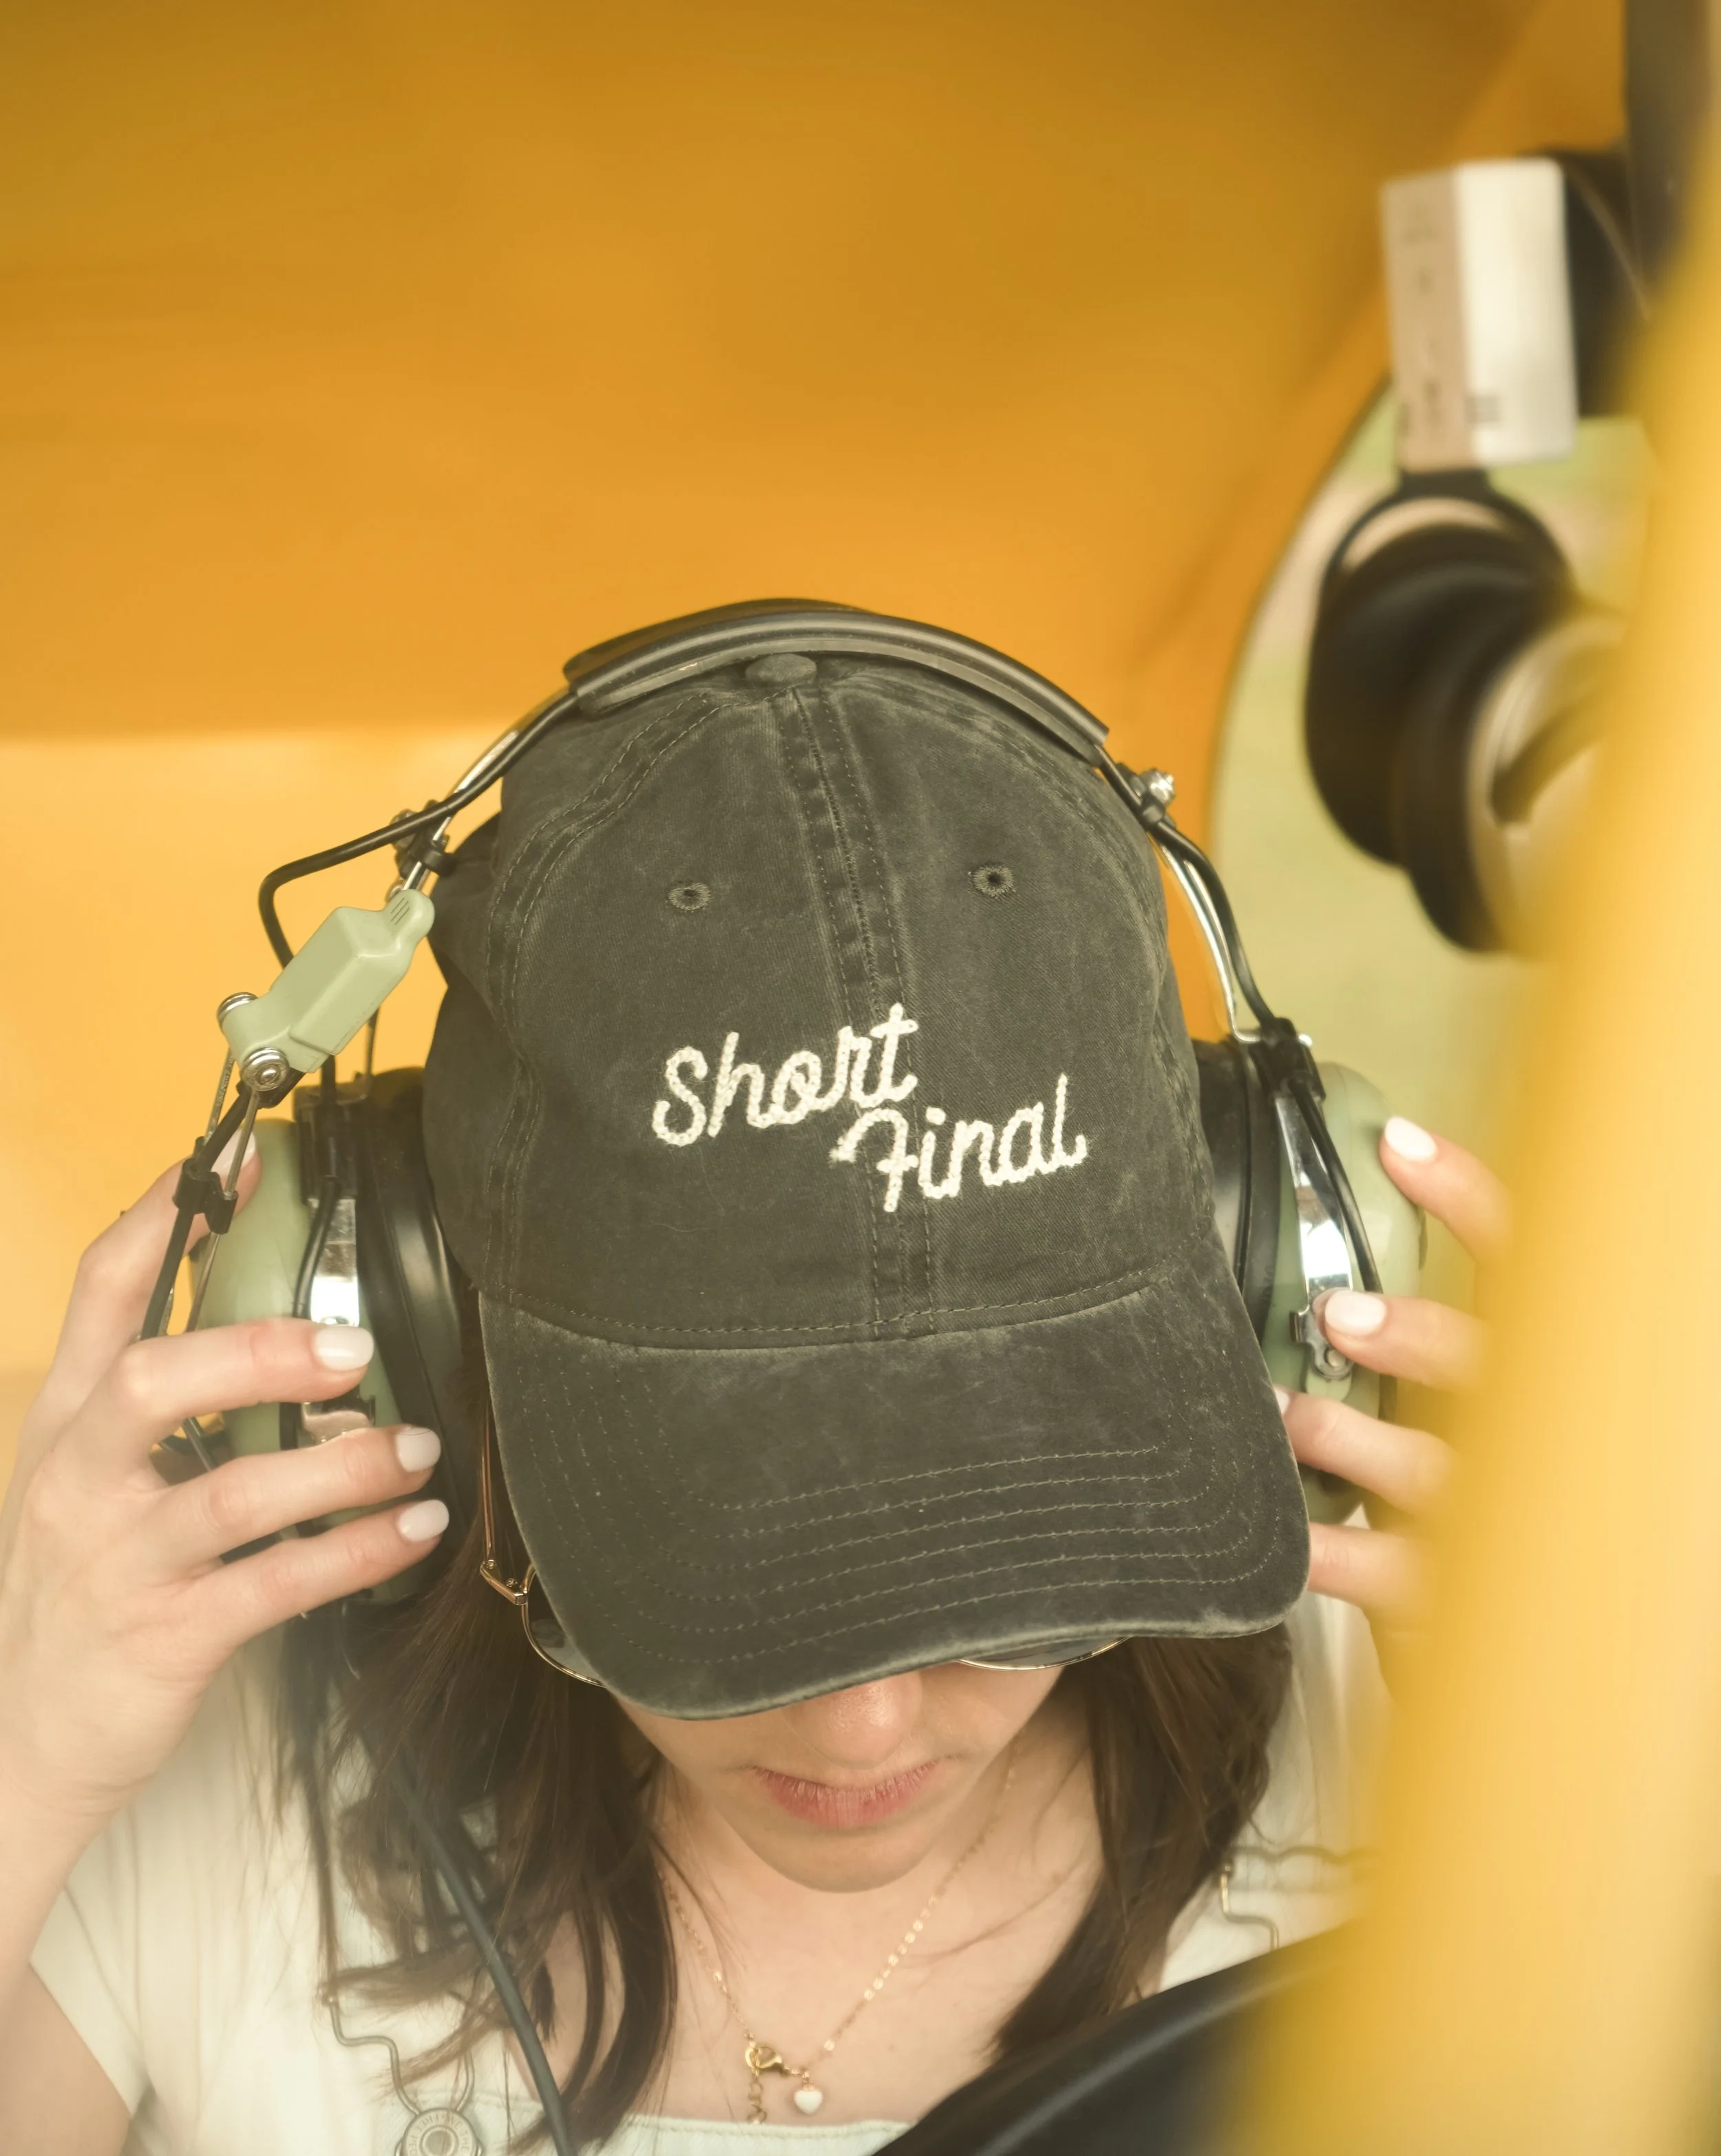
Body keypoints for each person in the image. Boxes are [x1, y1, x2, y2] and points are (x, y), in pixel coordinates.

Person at [0, 636, 1500, 2155]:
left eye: (1009, 1557)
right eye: (730, 1555)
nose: (863, 1727)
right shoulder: (166, 1767)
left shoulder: (1457, 1703)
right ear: (436, 1346)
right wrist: (26, 1768)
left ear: (1245, 1312)